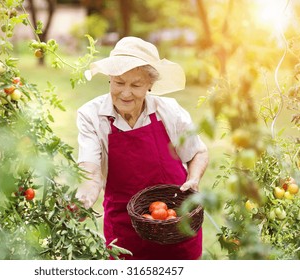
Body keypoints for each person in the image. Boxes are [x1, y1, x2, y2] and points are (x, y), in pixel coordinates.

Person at [75, 36, 209, 260]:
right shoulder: (91, 115)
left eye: (136, 85)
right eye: (119, 83)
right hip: (124, 234)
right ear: (109, 79)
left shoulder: (169, 111)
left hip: (176, 227)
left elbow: (198, 152)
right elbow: (91, 171)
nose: (126, 93)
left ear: (150, 85)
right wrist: (83, 201)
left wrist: (193, 179)